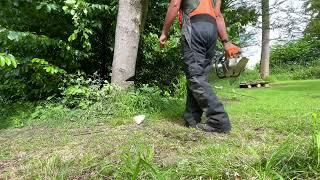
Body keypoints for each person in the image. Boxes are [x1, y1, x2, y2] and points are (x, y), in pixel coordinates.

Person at [159, 0, 240, 133]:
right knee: (199, 76)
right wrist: (226, 42)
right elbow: (218, 15)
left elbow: (174, 4)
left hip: (195, 27)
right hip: (212, 30)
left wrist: (164, 32)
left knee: (195, 76)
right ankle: (192, 118)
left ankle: (219, 120)